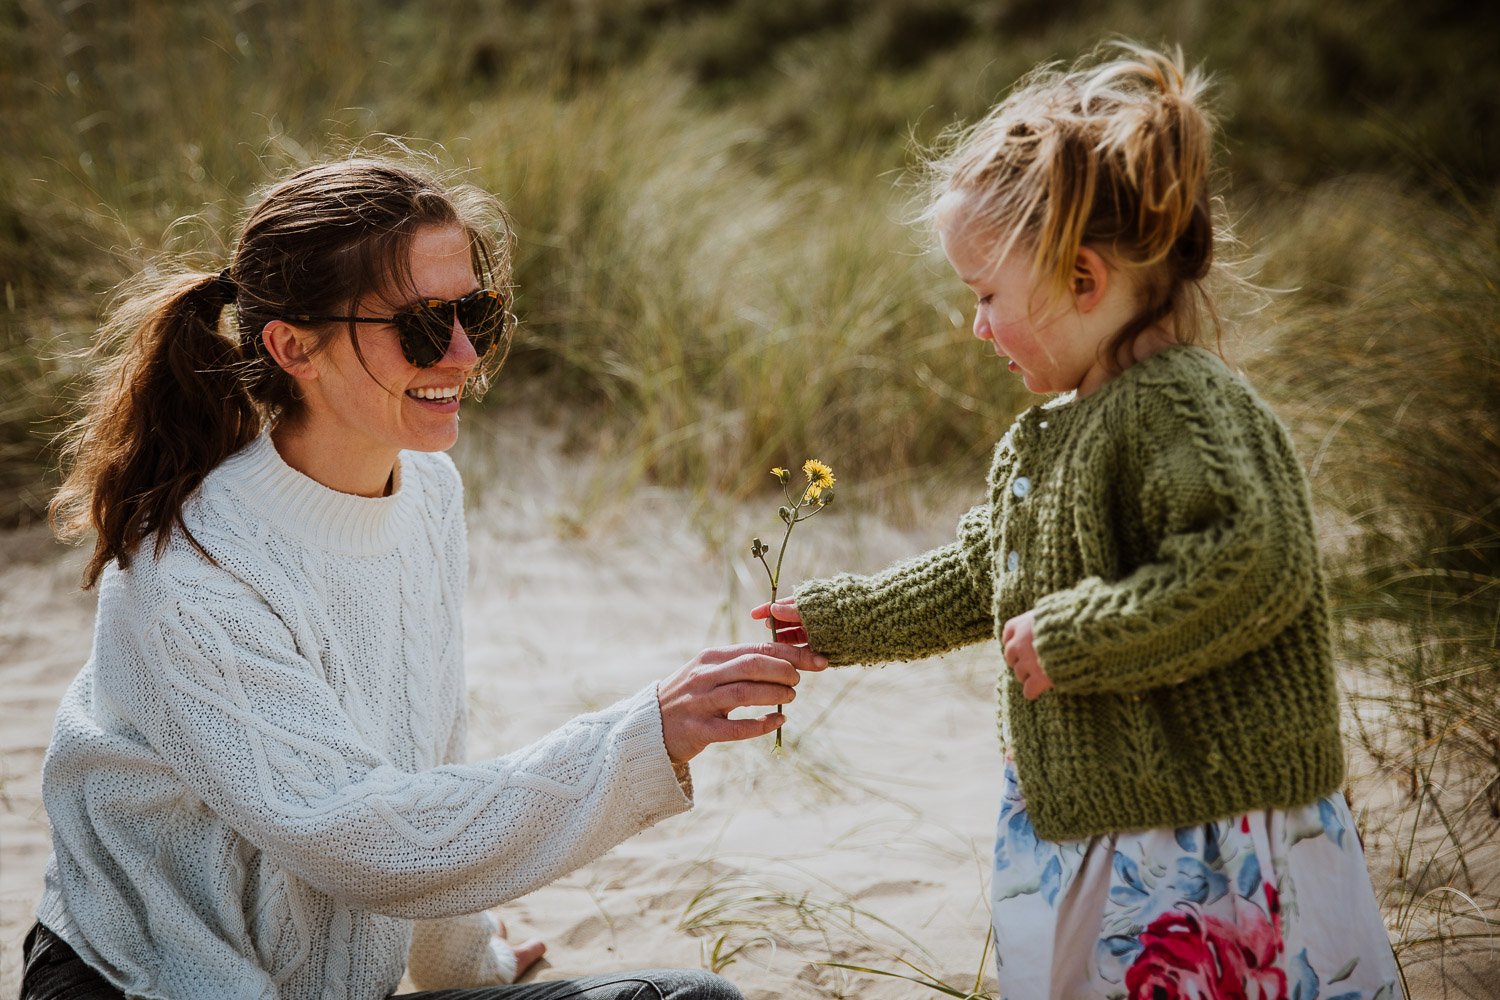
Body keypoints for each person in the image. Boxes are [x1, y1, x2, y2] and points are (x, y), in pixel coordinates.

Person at [24, 155, 826, 1000]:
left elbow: (427, 747)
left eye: (475, 310)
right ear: (293, 346)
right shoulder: (189, 576)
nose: (463, 352)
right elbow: (360, 837)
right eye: (418, 326)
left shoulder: (429, 490)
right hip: (148, 985)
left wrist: (465, 969)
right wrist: (644, 736)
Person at [753, 45, 1402, 998]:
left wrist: (1079, 636)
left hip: (1206, 828)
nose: (975, 326)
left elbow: (1251, 560)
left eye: (985, 296)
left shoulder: (1181, 404)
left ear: (1083, 282)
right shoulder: (1045, 437)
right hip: (1101, 819)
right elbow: (983, 575)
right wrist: (842, 620)